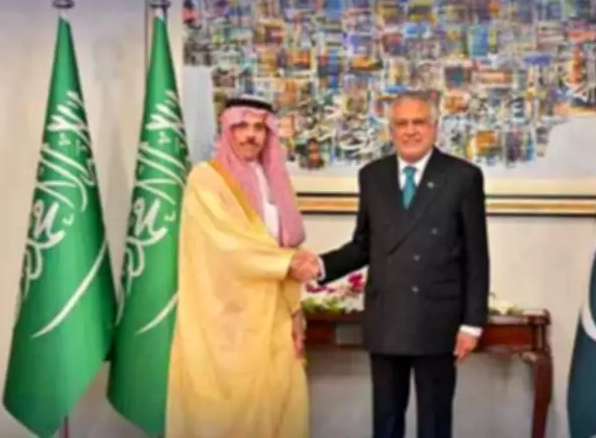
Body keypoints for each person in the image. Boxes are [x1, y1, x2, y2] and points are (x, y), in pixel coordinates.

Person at [302, 91, 491, 438]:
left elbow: (476, 256)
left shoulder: (463, 176)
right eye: (401, 124)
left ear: (434, 127)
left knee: (434, 422)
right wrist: (321, 266)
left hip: (438, 320)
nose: (410, 131)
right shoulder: (372, 176)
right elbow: (364, 245)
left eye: (419, 122)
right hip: (387, 316)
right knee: (386, 420)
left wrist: (472, 324)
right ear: (391, 130)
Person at [165, 95, 318, 438]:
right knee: (227, 416)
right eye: (242, 126)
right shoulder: (206, 180)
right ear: (226, 130)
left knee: (278, 407)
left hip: (274, 314)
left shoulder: (274, 180)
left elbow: (286, 245)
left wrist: (296, 312)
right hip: (225, 319)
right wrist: (288, 262)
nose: (251, 135)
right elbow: (228, 247)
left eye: (259, 128)